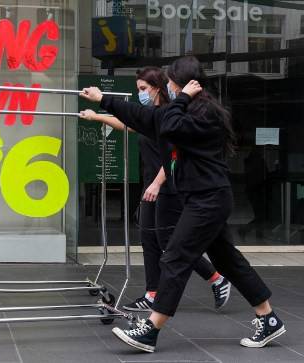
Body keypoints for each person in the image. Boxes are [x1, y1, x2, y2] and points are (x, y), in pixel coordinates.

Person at [80, 56, 286, 353]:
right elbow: (142, 117)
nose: (170, 90)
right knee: (228, 260)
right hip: (202, 198)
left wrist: (182, 98)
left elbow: (170, 126)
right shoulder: (180, 112)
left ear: (184, 86)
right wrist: (103, 101)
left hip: (209, 200)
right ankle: (268, 318)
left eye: (172, 85)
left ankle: (150, 329)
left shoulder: (204, 116)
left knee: (175, 257)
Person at [80, 67, 231, 312]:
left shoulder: (169, 116)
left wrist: (157, 183)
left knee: (170, 243)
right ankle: (153, 293)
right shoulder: (153, 114)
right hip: (154, 186)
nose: (140, 94)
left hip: (166, 187)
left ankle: (215, 279)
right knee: (151, 240)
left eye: (143, 89)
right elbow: (128, 124)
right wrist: (96, 117)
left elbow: (173, 154)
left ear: (158, 88)